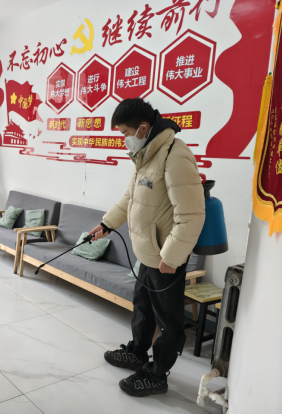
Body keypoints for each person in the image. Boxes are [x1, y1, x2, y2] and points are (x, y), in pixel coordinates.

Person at [88, 98, 205, 397]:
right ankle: (138, 352)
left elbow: (191, 215)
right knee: (143, 307)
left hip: (165, 257)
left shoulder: (175, 155)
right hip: (147, 253)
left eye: (125, 133)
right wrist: (106, 224)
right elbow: (130, 199)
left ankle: (157, 375)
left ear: (143, 128)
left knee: (168, 321)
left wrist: (172, 257)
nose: (123, 140)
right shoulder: (144, 156)